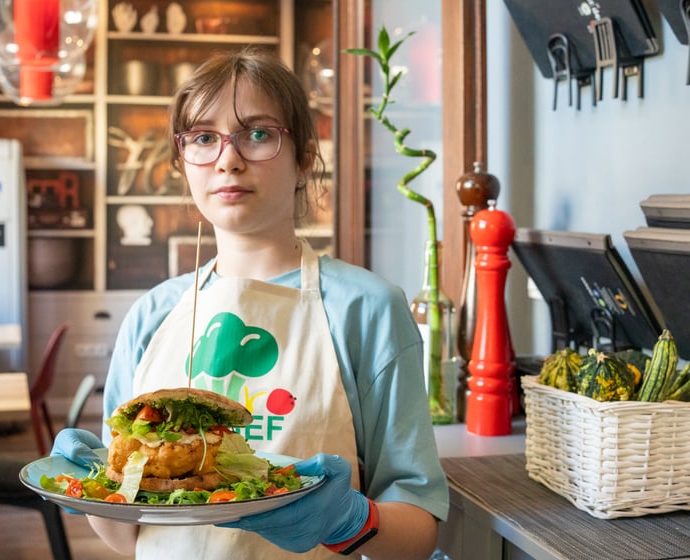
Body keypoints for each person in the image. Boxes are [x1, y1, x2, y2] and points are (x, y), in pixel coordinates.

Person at [51, 48, 449, 559]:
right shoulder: (152, 316)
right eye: (202, 138)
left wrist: (347, 519)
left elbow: (418, 534)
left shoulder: (368, 309)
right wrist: (91, 495)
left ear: (305, 158)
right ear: (184, 163)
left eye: (258, 133)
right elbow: (128, 536)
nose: (228, 158)